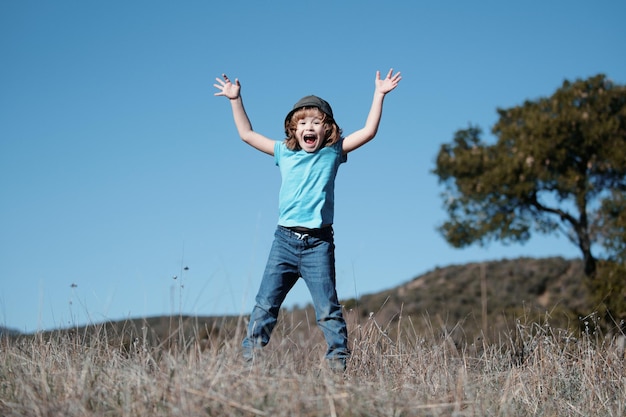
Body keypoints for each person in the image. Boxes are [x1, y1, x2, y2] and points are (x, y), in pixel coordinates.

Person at [214, 69, 401, 371]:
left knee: (328, 310)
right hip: (284, 241)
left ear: (327, 129)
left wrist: (379, 94)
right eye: (302, 123)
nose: (309, 127)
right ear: (293, 129)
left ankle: (337, 369)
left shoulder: (333, 153)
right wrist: (236, 100)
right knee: (265, 306)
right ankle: (250, 366)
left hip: (318, 244)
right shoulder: (283, 153)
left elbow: (368, 131)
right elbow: (247, 134)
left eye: (316, 122)